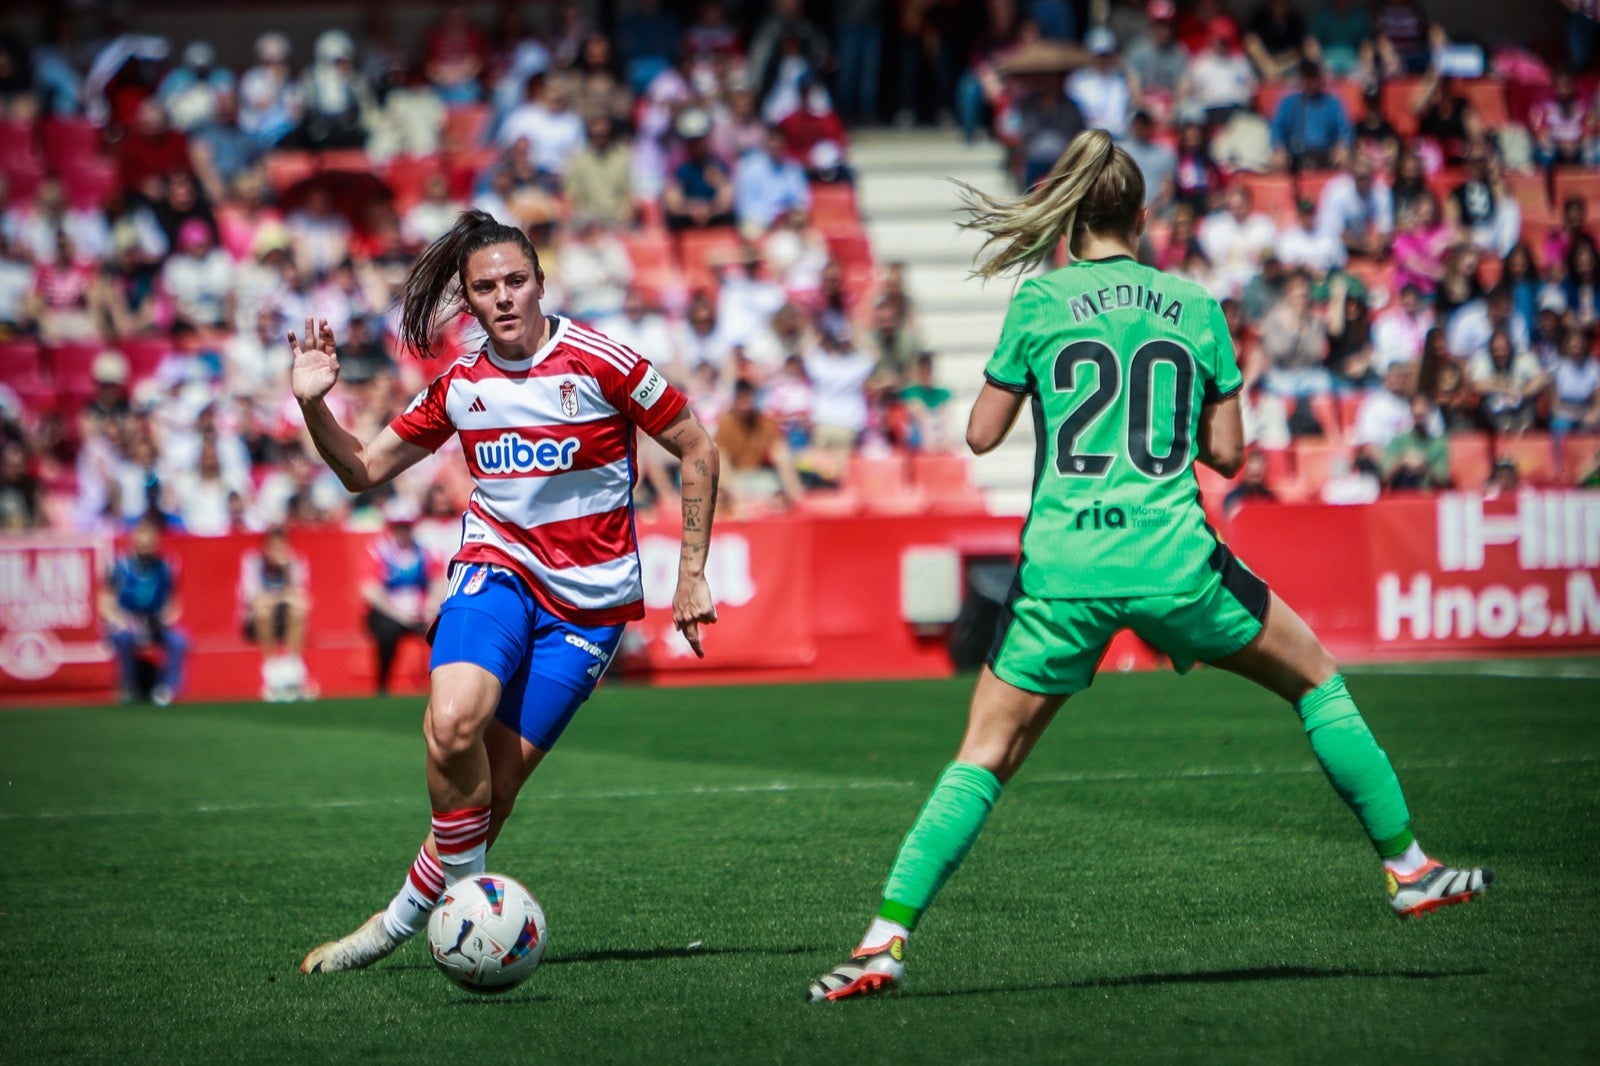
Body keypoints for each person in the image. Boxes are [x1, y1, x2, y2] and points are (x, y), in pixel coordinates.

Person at [805, 130, 1490, 1003]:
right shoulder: (1193, 305)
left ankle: (883, 941)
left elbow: (980, 434)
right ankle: (1408, 867)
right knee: (1317, 679)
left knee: (985, 754)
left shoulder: (1041, 302)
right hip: (1175, 560)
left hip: (1064, 568)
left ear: (1071, 218)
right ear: (1142, 216)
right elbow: (1231, 456)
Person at [296, 210, 719, 974]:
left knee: (495, 787)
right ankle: (469, 916)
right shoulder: (461, 386)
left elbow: (697, 444)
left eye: (515, 281)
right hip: (497, 571)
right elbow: (361, 469)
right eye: (484, 287)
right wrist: (312, 404)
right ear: (469, 299)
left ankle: (394, 924)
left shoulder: (602, 361)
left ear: (540, 283)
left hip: (588, 608)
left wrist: (690, 571)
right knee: (452, 725)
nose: (503, 298)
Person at [100, 515, 188, 706]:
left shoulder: (165, 567)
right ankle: (128, 684)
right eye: (142, 537)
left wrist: (165, 618)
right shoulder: (119, 566)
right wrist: (121, 620)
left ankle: (166, 687)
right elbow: (105, 603)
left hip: (154, 622)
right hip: (125, 622)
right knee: (124, 637)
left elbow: (173, 603)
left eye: (151, 539)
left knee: (179, 640)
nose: (147, 543)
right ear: (134, 540)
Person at [363, 499, 442, 696]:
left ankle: (440, 686)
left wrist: (431, 606)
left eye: (406, 526)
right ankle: (383, 686)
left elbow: (440, 579)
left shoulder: (423, 551)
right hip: (389, 613)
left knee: (442, 629)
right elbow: (370, 590)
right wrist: (400, 615)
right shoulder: (378, 551)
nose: (403, 531)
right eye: (398, 526)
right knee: (387, 632)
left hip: (420, 612)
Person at [239, 525, 313, 701]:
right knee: (263, 612)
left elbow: (300, 598)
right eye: (273, 547)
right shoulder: (252, 563)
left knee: (297, 611)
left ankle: (293, 669)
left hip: (284, 616)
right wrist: (282, 597)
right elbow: (254, 599)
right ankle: (271, 671)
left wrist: (286, 572)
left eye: (281, 547)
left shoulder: (295, 563)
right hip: (255, 620)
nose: (277, 552)